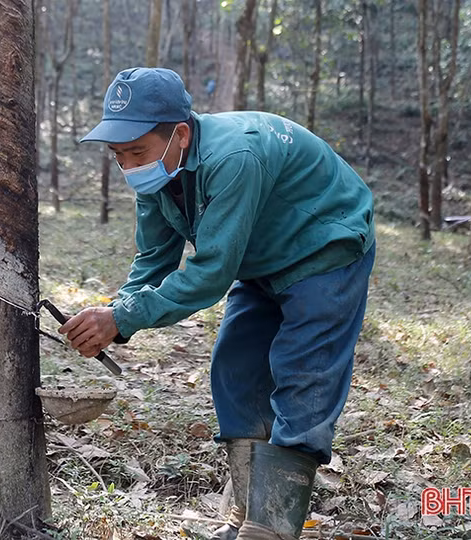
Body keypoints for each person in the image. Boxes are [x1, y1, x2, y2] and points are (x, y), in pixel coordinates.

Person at [58, 67, 375, 540]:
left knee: (302, 372)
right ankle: (249, 514)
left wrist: (122, 318)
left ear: (181, 135)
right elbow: (154, 259)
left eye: (137, 152)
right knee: (235, 368)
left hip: (326, 244)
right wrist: (116, 314)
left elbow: (209, 274)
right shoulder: (158, 176)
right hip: (262, 258)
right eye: (117, 154)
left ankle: (271, 528)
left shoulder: (234, 157)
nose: (127, 165)